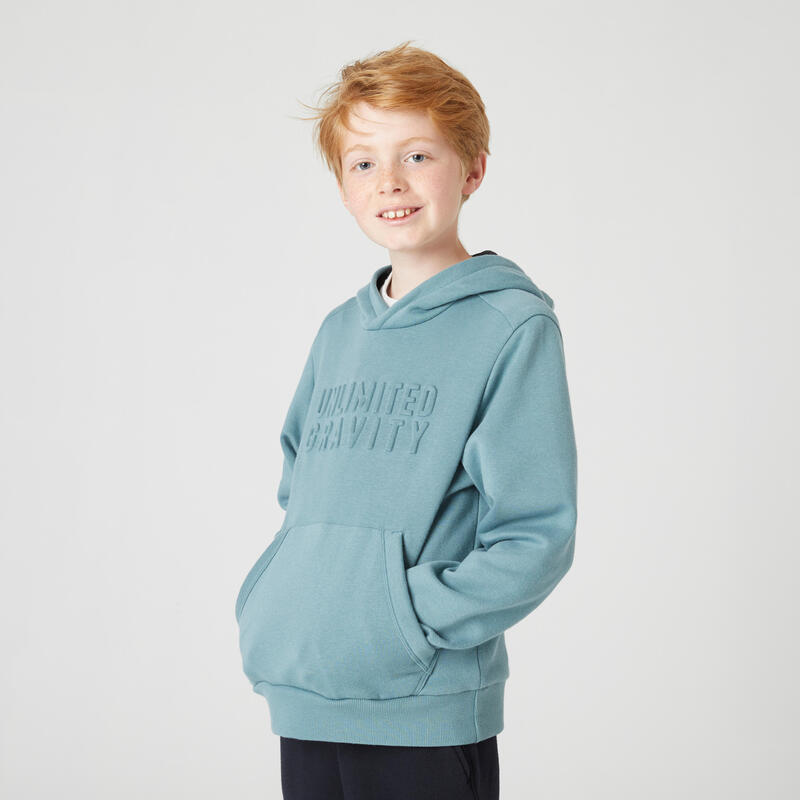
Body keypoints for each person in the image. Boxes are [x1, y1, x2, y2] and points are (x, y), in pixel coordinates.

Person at [234, 40, 578, 800]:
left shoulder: (510, 327)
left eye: (417, 156)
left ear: (472, 169)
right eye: (363, 163)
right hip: (306, 691)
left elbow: (535, 533)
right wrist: (293, 601)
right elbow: (301, 493)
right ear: (342, 186)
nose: (389, 181)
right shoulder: (339, 331)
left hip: (422, 710)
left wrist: (399, 619)